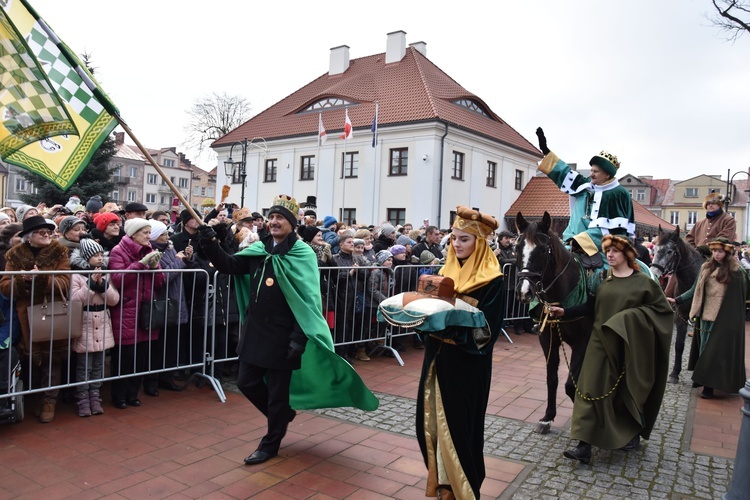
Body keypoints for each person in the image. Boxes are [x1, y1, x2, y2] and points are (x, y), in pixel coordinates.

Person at [197, 194, 378, 465]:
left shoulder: (302, 253)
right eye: (271, 217)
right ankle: (282, 416)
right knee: (246, 382)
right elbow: (229, 265)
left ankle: (270, 443)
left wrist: (297, 339)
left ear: (292, 224)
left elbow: (307, 300)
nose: (273, 222)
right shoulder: (260, 249)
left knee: (278, 395)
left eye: (280, 218)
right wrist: (211, 241)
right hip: (255, 331)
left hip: (284, 335)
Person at [548, 235, 673, 464]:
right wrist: (565, 312)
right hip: (599, 343)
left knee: (624, 392)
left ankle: (631, 432)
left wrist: (628, 319)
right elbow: (591, 307)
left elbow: (661, 313)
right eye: (608, 251)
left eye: (615, 251)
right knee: (587, 389)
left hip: (629, 348)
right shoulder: (602, 279)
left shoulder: (643, 282)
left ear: (628, 254)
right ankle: (583, 446)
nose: (610, 255)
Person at [416, 206, 506, 499]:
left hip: (467, 366)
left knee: (461, 427)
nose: (456, 244)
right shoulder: (444, 272)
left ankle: (465, 487)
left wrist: (446, 330)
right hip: (436, 361)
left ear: (479, 243)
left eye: (464, 239)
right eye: (453, 238)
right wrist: (418, 319)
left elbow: (486, 333)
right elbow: (429, 315)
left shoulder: (493, 280)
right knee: (429, 424)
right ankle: (443, 480)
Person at [0, 216, 71, 423]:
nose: (48, 235)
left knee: (52, 359)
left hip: (51, 312)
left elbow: (65, 282)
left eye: (49, 231)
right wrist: (21, 280)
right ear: (29, 237)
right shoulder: (14, 255)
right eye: (42, 232)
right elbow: (4, 286)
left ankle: (50, 400)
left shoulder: (59, 252)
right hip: (26, 315)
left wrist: (41, 278)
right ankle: (31, 399)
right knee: (30, 359)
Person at [535, 127, 634, 262]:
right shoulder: (586, 185)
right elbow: (564, 173)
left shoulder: (618, 194)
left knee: (601, 276)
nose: (591, 174)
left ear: (607, 174)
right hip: (570, 242)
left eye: (596, 171)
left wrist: (580, 241)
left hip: (601, 250)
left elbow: (614, 231)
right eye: (591, 170)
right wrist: (546, 151)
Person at [667, 237, 748, 399]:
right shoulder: (705, 267)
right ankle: (705, 381)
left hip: (723, 318)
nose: (716, 254)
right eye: (714, 251)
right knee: (705, 350)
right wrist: (678, 300)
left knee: (716, 352)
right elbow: (694, 289)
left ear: (727, 252)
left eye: (720, 251)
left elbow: (738, 296)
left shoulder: (736, 272)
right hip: (705, 316)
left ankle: (709, 387)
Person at [108, 218, 166, 409]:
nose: (149, 237)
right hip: (126, 310)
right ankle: (119, 396)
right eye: (145, 233)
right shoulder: (118, 251)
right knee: (125, 357)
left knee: (141, 357)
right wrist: (141, 264)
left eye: (150, 233)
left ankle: (133, 394)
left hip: (146, 311)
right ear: (133, 234)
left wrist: (156, 267)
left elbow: (160, 283)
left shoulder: (149, 250)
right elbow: (118, 280)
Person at [70, 239, 119, 417]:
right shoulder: (76, 276)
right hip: (85, 321)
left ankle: (95, 396)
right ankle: (83, 398)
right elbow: (76, 300)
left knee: (98, 363)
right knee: (84, 366)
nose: (99, 259)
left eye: (101, 255)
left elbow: (114, 300)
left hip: (103, 321)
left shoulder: (106, 275)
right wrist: (91, 285)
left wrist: (103, 286)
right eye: (95, 256)